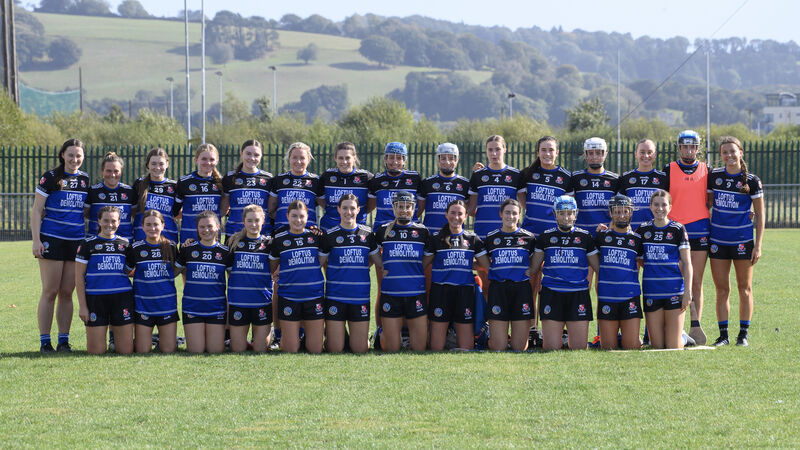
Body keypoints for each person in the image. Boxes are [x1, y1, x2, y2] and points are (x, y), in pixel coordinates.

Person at [31, 138, 90, 353]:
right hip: (52, 238)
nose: (74, 159)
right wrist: (36, 240)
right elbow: (37, 210)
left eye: (78, 155)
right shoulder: (50, 177)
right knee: (50, 291)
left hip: (75, 241)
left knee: (67, 292)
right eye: (71, 155)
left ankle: (63, 341)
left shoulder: (84, 179)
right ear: (63, 155)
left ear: (83, 157)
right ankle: (45, 342)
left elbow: (85, 210)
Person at [708, 136, 764, 347]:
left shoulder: (752, 181)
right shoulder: (715, 176)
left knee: (744, 288)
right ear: (721, 155)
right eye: (725, 152)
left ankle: (743, 335)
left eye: (732, 151)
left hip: (743, 242)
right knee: (722, 290)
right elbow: (707, 204)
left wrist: (758, 245)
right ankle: (723, 336)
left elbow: (760, 215)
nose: (729, 155)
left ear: (741, 152)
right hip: (718, 241)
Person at [517, 136, 573, 346]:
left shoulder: (565, 176)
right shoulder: (527, 174)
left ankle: (560, 329)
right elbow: (522, 199)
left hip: (556, 237)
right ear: (538, 152)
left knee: (554, 283)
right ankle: (532, 329)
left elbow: (569, 205)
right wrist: (532, 212)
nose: (547, 153)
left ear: (557, 152)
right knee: (531, 284)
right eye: (543, 150)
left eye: (551, 150)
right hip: (531, 235)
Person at [532, 196, 599, 350]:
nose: (566, 217)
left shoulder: (585, 237)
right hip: (552, 293)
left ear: (575, 214)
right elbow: (533, 267)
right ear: (555, 214)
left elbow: (598, 267)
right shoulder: (545, 237)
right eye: (562, 213)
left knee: (579, 348)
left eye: (570, 213)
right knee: (551, 348)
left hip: (578, 294)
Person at [663, 130, 710, 345]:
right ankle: (677, 326)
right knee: (675, 279)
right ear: (679, 148)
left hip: (699, 229)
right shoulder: (669, 170)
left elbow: (712, 198)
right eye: (685, 147)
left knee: (696, 281)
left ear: (698, 148)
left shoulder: (707, 170)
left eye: (693, 147)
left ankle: (695, 325)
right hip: (674, 230)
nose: (689, 150)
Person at [424, 200, 489, 350]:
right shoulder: (436, 238)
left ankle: (452, 338)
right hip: (440, 292)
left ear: (466, 216)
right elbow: (423, 264)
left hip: (464, 292)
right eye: (452, 213)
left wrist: (467, 264)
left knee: (467, 347)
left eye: (460, 213)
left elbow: (486, 266)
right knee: (436, 348)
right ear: (446, 214)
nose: (456, 217)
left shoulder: (472, 239)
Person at [318, 194, 380, 353]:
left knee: (360, 349)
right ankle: (336, 335)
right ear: (338, 209)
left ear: (358, 210)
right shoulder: (330, 235)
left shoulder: (367, 234)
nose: (348, 212)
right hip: (335, 297)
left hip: (359, 298)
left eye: (352, 208)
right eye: (344, 208)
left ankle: (354, 337)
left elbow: (378, 261)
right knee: (335, 349)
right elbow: (318, 263)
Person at [374, 191, 433, 352]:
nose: (404, 210)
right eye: (400, 206)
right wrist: (382, 265)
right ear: (394, 208)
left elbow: (427, 258)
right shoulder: (383, 231)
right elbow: (373, 252)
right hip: (391, 293)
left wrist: (416, 269)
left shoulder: (423, 232)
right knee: (391, 349)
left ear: (414, 209)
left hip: (415, 293)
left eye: (408, 207)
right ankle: (380, 334)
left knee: (419, 348)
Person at [637, 190, 692, 349]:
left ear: (670, 207)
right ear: (650, 206)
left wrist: (687, 292)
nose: (660, 208)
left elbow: (687, 263)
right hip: (651, 292)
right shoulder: (643, 230)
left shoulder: (678, 229)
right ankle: (677, 334)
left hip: (674, 291)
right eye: (656, 204)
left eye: (664, 205)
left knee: (673, 346)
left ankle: (683, 337)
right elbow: (639, 260)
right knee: (657, 347)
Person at [75, 206, 134, 354]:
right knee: (96, 352)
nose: (110, 224)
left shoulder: (125, 244)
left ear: (119, 222)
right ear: (99, 221)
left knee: (125, 351)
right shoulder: (87, 244)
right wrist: (82, 306)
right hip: (96, 299)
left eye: (113, 221)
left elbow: (129, 270)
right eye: (106, 220)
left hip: (122, 298)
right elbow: (79, 276)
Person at [269, 200, 326, 353]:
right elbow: (273, 266)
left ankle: (306, 334)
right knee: (291, 349)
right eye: (294, 216)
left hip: (313, 296)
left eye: (302, 216)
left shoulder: (317, 237)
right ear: (287, 216)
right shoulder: (280, 239)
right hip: (289, 297)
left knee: (315, 349)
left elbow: (320, 262)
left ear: (307, 217)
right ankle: (283, 335)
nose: (298, 220)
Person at [483, 199, 536, 351]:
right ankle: (487, 337)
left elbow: (537, 260)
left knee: (519, 348)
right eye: (507, 212)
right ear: (501, 214)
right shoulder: (491, 238)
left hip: (521, 290)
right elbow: (483, 262)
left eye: (514, 213)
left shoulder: (529, 238)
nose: (510, 216)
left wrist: (531, 270)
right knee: (498, 347)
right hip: (498, 290)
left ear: (519, 215)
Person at [175, 210, 230, 353]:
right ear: (197, 229)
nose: (206, 230)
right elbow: (173, 273)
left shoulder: (225, 252)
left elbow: (234, 280)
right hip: (192, 308)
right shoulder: (188, 249)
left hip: (216, 308)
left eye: (210, 226)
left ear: (218, 227)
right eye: (202, 227)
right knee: (196, 351)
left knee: (214, 351)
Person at [126, 210, 180, 354]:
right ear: (142, 227)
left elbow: (176, 270)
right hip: (143, 306)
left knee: (168, 350)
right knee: (142, 350)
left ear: (162, 225)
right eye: (148, 225)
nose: (152, 228)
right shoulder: (136, 248)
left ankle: (164, 339)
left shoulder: (171, 246)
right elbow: (126, 271)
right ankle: (152, 339)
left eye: (156, 224)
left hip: (166, 306)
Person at [595, 194, 644, 350]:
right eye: (617, 211)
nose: (621, 215)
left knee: (631, 347)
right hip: (607, 297)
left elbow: (646, 265)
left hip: (630, 297)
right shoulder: (601, 237)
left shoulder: (637, 240)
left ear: (631, 213)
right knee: (608, 348)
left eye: (625, 211)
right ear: (610, 213)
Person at [226, 204, 273, 353]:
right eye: (250, 220)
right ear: (244, 221)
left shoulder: (270, 244)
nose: (253, 224)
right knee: (237, 350)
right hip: (239, 302)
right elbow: (229, 272)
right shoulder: (234, 243)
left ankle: (268, 332)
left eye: (257, 220)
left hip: (262, 302)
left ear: (263, 221)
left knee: (260, 350)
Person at [468, 135, 521, 240]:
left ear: (504, 149)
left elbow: (524, 205)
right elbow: (471, 209)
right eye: (490, 150)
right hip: (483, 233)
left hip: (507, 234)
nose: (494, 153)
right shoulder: (478, 175)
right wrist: (485, 214)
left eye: (498, 149)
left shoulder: (516, 175)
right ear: (486, 151)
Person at [222, 140, 274, 239]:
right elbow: (223, 209)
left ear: (261, 156)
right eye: (248, 154)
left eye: (256, 155)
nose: (252, 158)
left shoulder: (269, 179)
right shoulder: (229, 178)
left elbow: (271, 210)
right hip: (234, 235)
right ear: (241, 154)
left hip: (262, 235)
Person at [174, 144, 225, 242]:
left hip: (213, 240)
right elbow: (175, 211)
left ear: (217, 161)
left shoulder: (222, 183)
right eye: (204, 159)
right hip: (189, 239)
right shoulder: (184, 182)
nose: (208, 162)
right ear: (196, 159)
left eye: (212, 159)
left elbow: (224, 210)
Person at [318, 142, 373, 232]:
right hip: (329, 229)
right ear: (335, 158)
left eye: (347, 158)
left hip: (358, 230)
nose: (344, 162)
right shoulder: (327, 176)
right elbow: (320, 198)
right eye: (340, 158)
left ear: (354, 158)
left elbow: (373, 201)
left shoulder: (366, 177)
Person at [268, 142, 322, 231]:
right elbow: (271, 210)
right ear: (289, 158)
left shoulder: (316, 180)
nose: (298, 161)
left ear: (308, 160)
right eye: (294, 157)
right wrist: (284, 221)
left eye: (302, 158)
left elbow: (326, 206)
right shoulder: (279, 179)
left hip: (307, 231)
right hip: (282, 231)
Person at [368, 142, 422, 230]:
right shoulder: (377, 179)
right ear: (385, 159)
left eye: (399, 158)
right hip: (382, 229)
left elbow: (421, 206)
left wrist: (406, 219)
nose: (395, 162)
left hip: (410, 229)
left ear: (404, 160)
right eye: (391, 157)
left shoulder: (415, 178)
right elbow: (370, 206)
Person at [572, 137, 619, 238]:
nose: (594, 157)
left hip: (606, 236)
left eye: (598, 153)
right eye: (590, 153)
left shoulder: (615, 180)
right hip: (580, 236)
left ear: (605, 154)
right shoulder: (575, 178)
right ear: (585, 155)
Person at [617, 139, 667, 231]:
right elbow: (620, 207)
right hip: (631, 232)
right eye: (642, 152)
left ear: (655, 154)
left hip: (655, 231)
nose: (646, 156)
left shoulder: (663, 178)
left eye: (650, 152)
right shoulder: (625, 178)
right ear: (636, 154)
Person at [418, 143, 470, 230]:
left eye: (451, 158)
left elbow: (470, 211)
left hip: (455, 235)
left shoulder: (465, 184)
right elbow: (418, 211)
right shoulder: (427, 183)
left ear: (457, 160)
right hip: (431, 235)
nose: (447, 162)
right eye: (443, 158)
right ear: (438, 160)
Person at [86, 152, 136, 241]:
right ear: (102, 171)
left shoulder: (129, 191)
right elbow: (85, 214)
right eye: (108, 171)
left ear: (121, 171)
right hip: (96, 243)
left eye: (116, 171)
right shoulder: (92, 191)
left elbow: (134, 214)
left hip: (124, 243)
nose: (112, 175)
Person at [132, 148, 178, 243]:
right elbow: (132, 211)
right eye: (153, 164)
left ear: (167, 164)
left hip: (168, 239)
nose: (157, 167)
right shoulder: (139, 184)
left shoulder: (174, 186)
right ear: (147, 165)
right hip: (142, 239)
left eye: (161, 164)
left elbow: (178, 212)